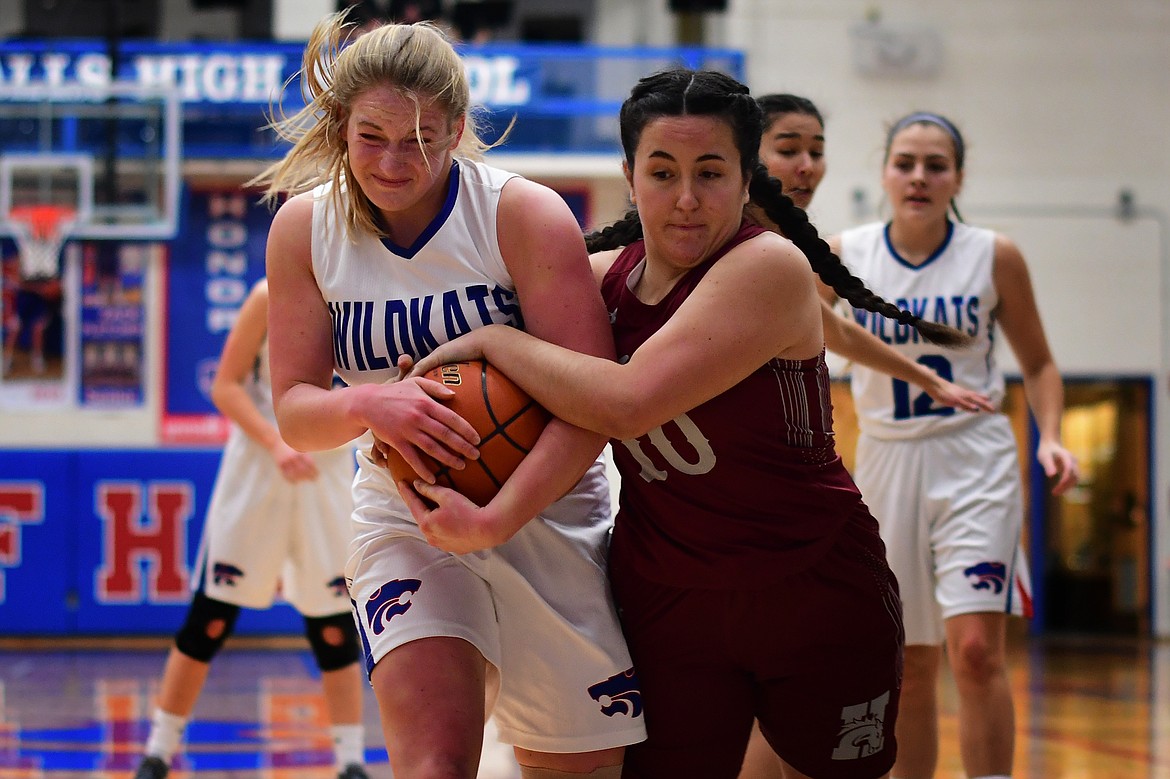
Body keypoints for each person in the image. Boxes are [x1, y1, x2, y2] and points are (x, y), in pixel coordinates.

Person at [403, 67, 977, 779]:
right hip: (668, 595)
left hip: (812, 588)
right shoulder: (602, 278)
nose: (684, 199)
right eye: (662, 171)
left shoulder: (768, 266)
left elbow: (628, 402)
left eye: (710, 172)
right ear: (629, 175)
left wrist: (495, 341)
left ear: (747, 180)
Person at [253, 13, 645, 779]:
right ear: (339, 124)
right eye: (373, 136)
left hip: (548, 508)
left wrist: (499, 515)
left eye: (422, 138)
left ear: (458, 126)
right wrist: (370, 405)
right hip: (408, 511)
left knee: (575, 768)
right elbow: (297, 409)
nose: (396, 162)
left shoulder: (520, 214)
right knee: (435, 761)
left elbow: (593, 406)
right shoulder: (304, 228)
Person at [819, 112, 1080, 779]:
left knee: (974, 651)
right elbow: (794, 330)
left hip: (975, 459)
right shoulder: (846, 254)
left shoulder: (994, 254)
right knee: (909, 661)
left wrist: (1051, 436)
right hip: (886, 458)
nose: (919, 177)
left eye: (936, 165)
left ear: (958, 177)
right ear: (884, 172)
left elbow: (1041, 364)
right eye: (905, 162)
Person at [132, 279, 370, 779]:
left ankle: (350, 761)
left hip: (326, 473)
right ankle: (158, 751)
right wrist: (276, 443)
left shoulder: (367, 288)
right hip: (260, 468)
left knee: (333, 625)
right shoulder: (269, 296)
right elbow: (225, 385)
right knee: (210, 618)